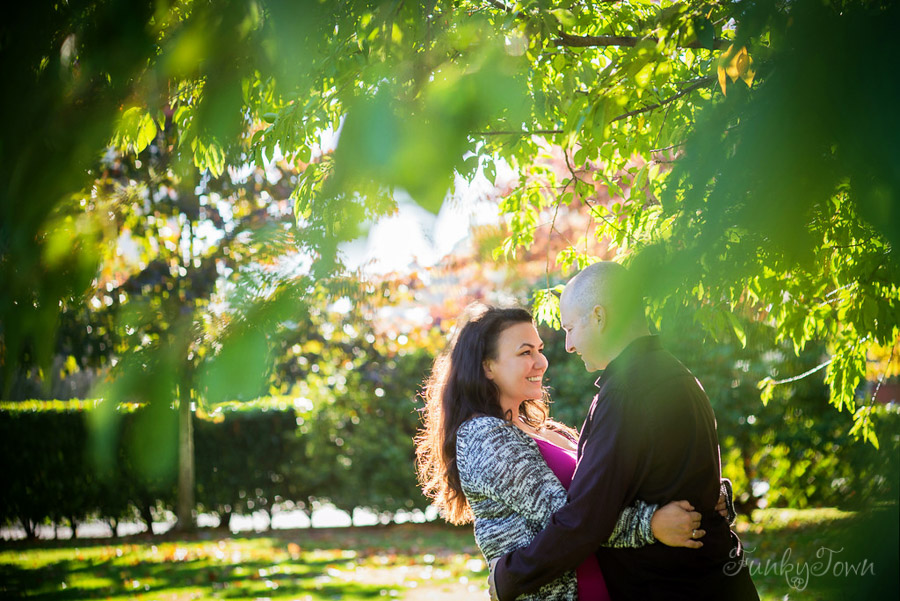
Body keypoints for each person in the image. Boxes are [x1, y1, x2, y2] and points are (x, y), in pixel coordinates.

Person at [415, 303, 734, 600]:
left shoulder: (544, 429)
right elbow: (572, 518)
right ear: (487, 367)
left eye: (539, 349)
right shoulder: (485, 436)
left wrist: (697, 491)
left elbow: (609, 489)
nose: (541, 361)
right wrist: (650, 523)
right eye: (525, 352)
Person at [488, 262, 759, 600]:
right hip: (719, 579)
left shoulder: (625, 394)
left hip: (673, 587)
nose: (568, 345)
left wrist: (510, 576)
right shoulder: (680, 376)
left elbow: (587, 518)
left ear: (599, 317)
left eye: (570, 328)